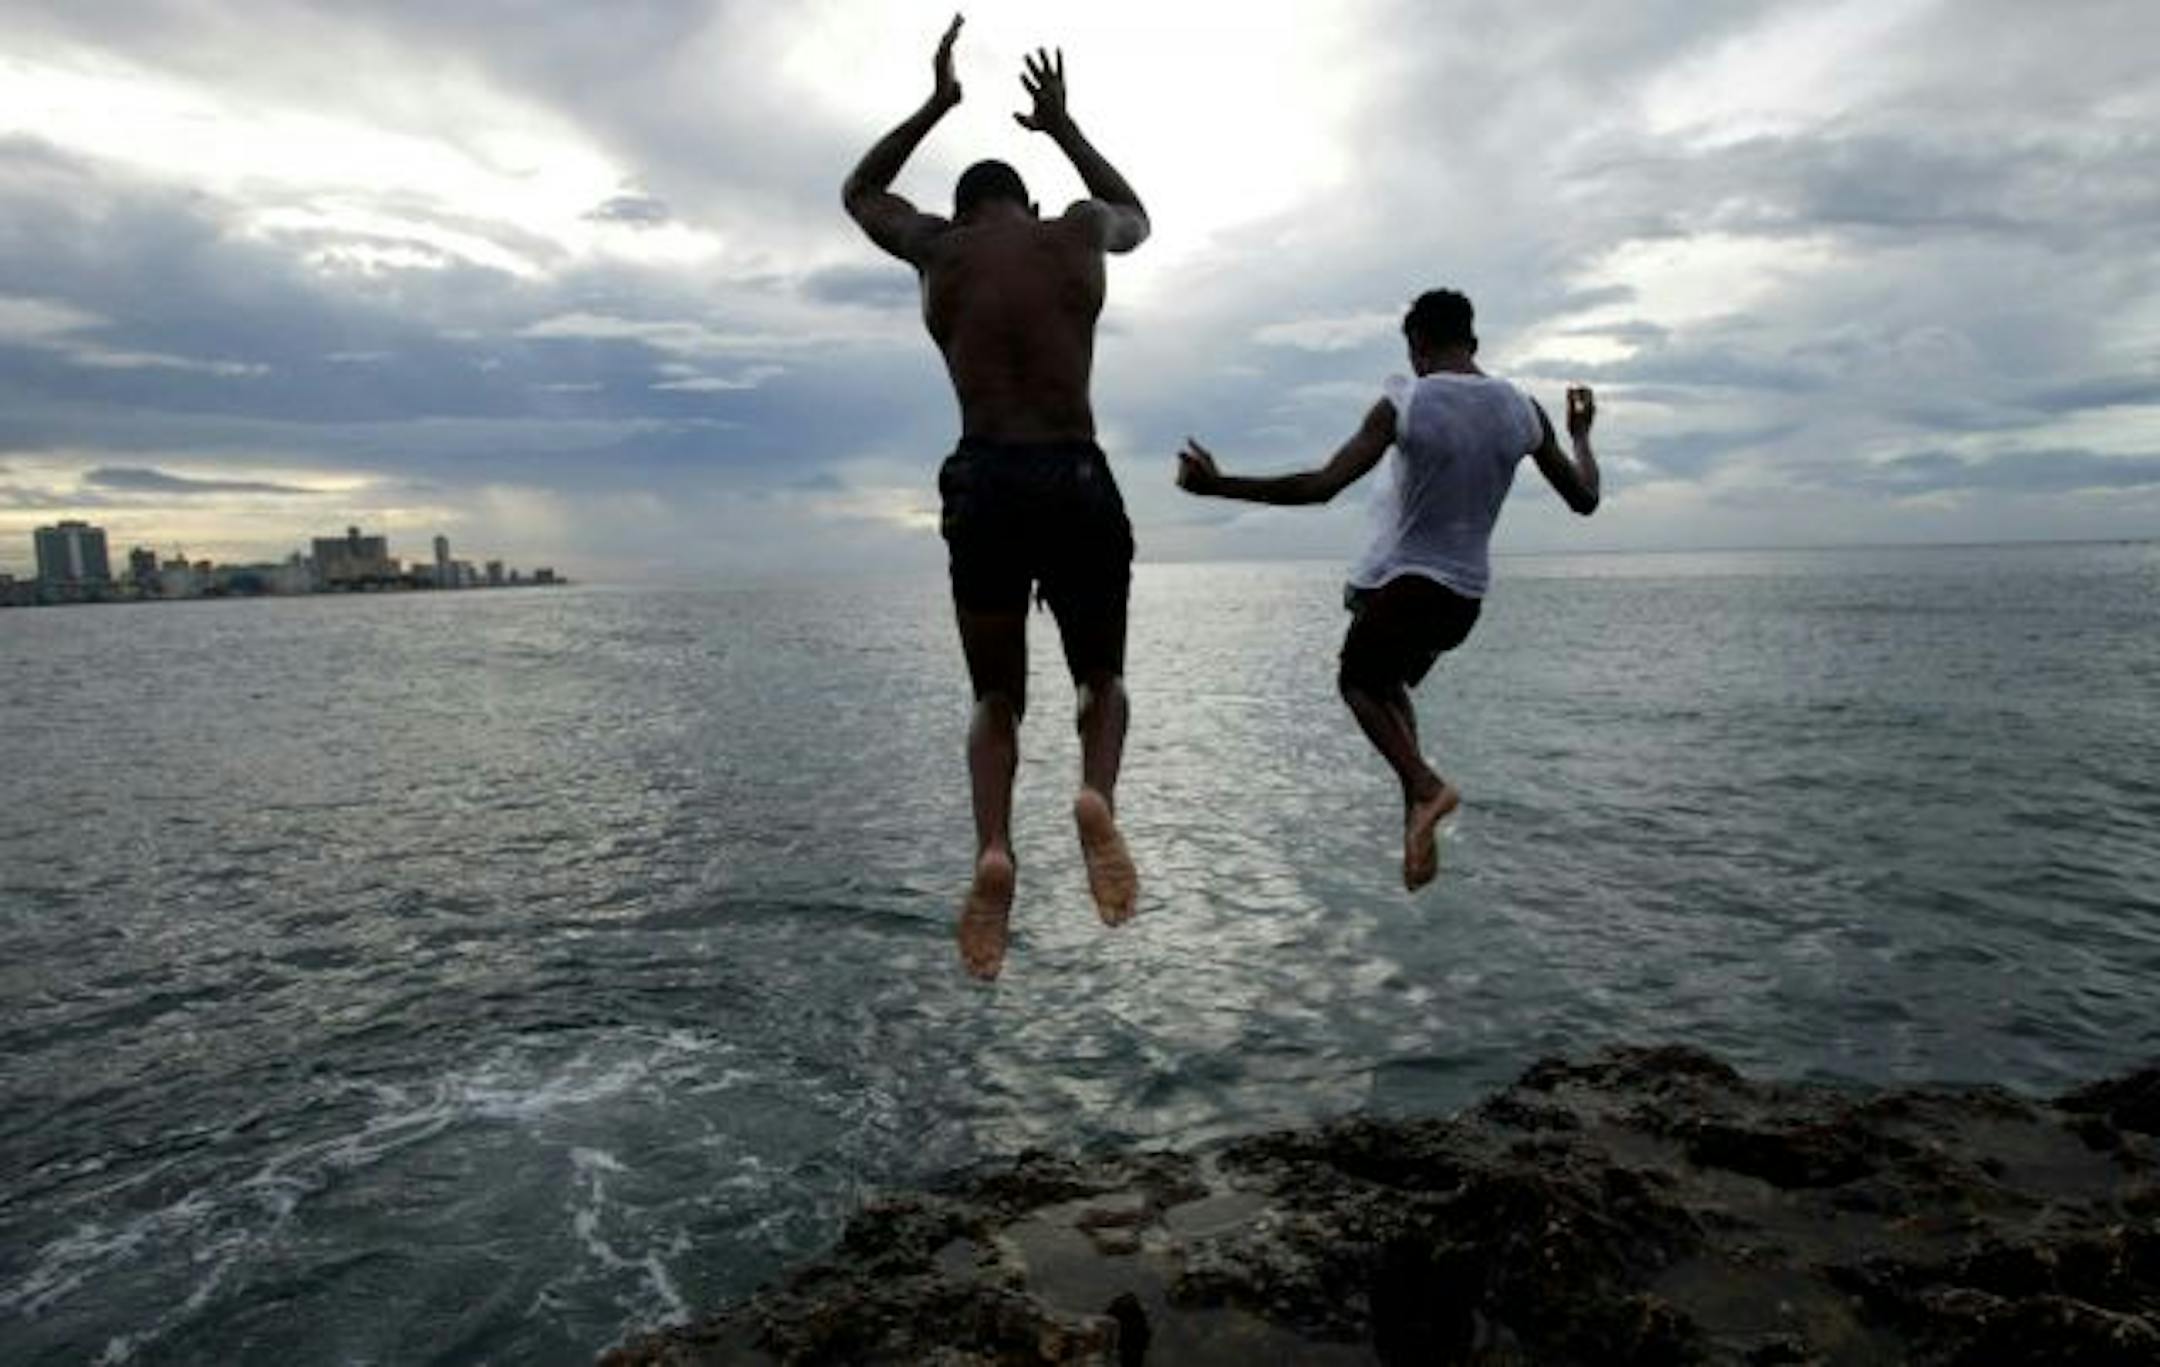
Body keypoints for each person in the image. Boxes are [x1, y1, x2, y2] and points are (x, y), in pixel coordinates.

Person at [842, 15, 1151, 979]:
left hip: (984, 479)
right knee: (1100, 679)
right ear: (1025, 200)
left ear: (968, 210)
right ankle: (1095, 795)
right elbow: (1135, 211)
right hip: (1074, 472)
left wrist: (937, 100)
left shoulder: (940, 251)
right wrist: (1062, 126)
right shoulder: (1078, 235)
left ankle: (993, 849)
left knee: (994, 695)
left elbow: (859, 191)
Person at [1176, 289, 1600, 890]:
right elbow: (1585, 499)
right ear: (1473, 343)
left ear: (1417, 346)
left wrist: (1219, 488)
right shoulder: (1524, 410)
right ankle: (1415, 821)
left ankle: (1426, 789)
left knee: (1355, 681)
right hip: (1465, 602)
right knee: (1389, 684)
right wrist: (1581, 435)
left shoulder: (1407, 400)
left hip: (1410, 586)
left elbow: (1321, 485)